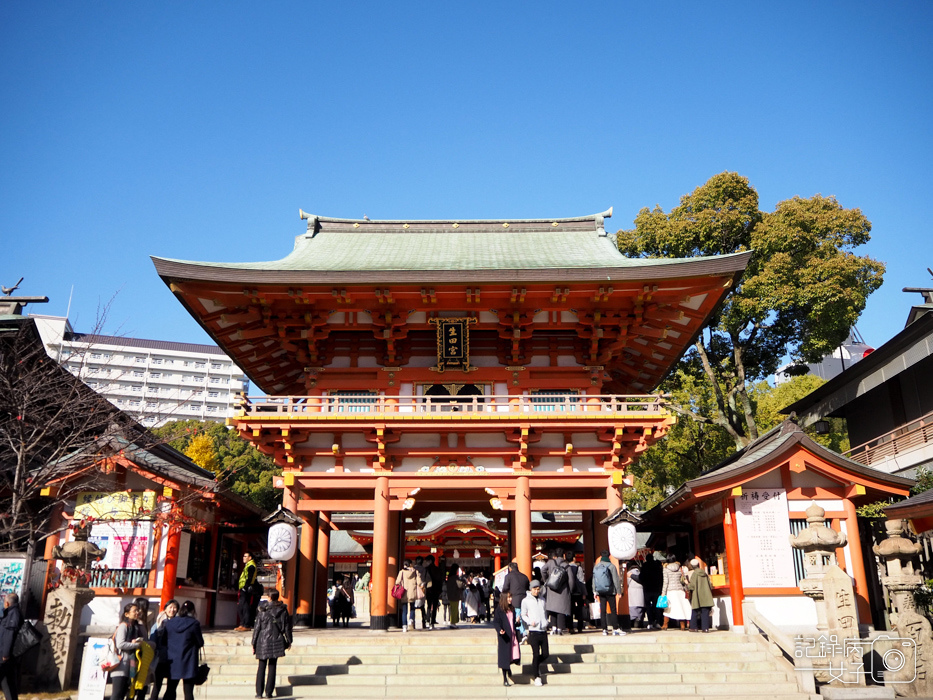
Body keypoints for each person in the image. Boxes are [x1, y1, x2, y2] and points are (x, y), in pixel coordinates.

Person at [252, 590, 293, 698]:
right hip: (277, 639)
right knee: (272, 666)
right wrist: (289, 641)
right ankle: (269, 692)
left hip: (263, 640)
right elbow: (287, 627)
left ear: (269, 598)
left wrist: (254, 642)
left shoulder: (262, 610)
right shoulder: (283, 610)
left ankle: (259, 693)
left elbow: (257, 628)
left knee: (261, 666)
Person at [163, 601, 204, 700]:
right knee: (188, 692)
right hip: (189, 660)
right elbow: (200, 642)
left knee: (170, 689)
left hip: (172, 660)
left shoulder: (170, 622)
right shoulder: (194, 623)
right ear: (193, 610)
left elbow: (164, 640)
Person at [110, 602, 145, 700]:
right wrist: (135, 644)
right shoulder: (123, 626)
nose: (137, 612)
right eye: (134, 611)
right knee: (117, 695)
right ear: (126, 614)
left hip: (131, 665)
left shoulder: (137, 627)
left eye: (138, 610)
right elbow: (120, 644)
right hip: (120, 664)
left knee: (126, 693)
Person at [520, 580, 549, 687]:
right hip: (533, 630)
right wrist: (529, 622)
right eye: (534, 589)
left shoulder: (542, 599)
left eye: (538, 589)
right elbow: (523, 614)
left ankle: (535, 666)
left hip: (543, 630)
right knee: (536, 654)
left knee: (546, 654)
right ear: (530, 589)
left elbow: (545, 612)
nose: (537, 591)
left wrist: (546, 621)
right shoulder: (525, 601)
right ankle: (536, 676)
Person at [148, 599, 179, 700]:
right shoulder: (158, 623)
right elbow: (152, 640)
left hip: (174, 658)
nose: (172, 610)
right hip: (160, 657)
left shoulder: (179, 623)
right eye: (170, 607)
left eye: (174, 607)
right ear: (165, 609)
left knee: (172, 686)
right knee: (157, 684)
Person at [593, 550, 623, 636]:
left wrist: (594, 591)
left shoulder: (596, 567)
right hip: (610, 591)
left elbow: (594, 580)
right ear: (609, 556)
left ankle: (604, 629)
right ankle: (615, 628)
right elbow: (616, 580)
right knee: (613, 610)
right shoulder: (611, 566)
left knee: (603, 610)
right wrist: (619, 591)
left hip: (600, 591)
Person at [492, 592, 520, 687]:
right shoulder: (499, 610)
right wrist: (500, 630)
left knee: (514, 656)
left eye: (511, 597)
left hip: (512, 636)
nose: (510, 599)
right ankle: (505, 678)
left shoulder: (512, 609)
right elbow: (496, 622)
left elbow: (513, 623)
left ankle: (508, 668)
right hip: (504, 637)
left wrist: (517, 622)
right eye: (508, 597)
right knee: (504, 658)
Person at [541, 547, 571, 634]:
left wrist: (547, 580)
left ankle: (553, 627)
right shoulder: (566, 565)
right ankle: (560, 628)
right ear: (564, 555)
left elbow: (543, 570)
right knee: (561, 609)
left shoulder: (550, 562)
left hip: (551, 588)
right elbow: (571, 580)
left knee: (552, 608)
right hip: (563, 590)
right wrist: (571, 588)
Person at [0, 593, 23, 700]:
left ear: (7, 603)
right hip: (6, 655)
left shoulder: (13, 614)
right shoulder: (10, 613)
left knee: (8, 682)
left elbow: (10, 635)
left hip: (4, 656)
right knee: (8, 683)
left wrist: (5, 654)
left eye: (4, 601)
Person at [500, 563, 530, 642]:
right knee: (522, 616)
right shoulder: (524, 577)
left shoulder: (508, 577)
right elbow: (528, 587)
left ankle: (523, 633)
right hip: (524, 599)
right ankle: (522, 633)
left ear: (510, 568)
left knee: (517, 618)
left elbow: (505, 589)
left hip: (514, 600)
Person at [660, 556, 691, 631]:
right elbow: (683, 580)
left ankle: (665, 625)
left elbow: (665, 582)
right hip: (680, 590)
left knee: (668, 609)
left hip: (670, 591)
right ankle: (683, 626)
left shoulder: (666, 569)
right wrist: (686, 589)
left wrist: (663, 593)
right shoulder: (680, 568)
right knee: (681, 608)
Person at [394, 559, 424, 632]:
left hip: (404, 592)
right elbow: (419, 582)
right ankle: (411, 619)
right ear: (410, 564)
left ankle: (404, 626)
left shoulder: (402, 572)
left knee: (404, 610)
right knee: (412, 607)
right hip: (412, 592)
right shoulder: (415, 572)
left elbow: (397, 581)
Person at [687, 558, 715, 633]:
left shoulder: (694, 574)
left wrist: (686, 584)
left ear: (692, 566)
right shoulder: (705, 573)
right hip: (706, 595)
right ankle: (705, 628)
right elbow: (710, 584)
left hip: (697, 595)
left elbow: (692, 586)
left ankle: (693, 627)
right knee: (705, 611)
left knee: (695, 611)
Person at [236, 552, 260, 631]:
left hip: (246, 589)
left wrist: (245, 587)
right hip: (243, 588)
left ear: (250, 557)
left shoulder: (251, 566)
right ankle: (243, 623)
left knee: (245, 607)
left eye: (245, 556)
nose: (243, 557)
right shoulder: (248, 565)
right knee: (241, 607)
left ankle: (246, 624)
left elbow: (250, 577)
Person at [564, 551, 586, 633]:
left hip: (569, 592)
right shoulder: (578, 568)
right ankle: (580, 628)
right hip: (578, 591)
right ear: (574, 558)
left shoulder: (565, 568)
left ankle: (570, 627)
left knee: (569, 610)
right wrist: (584, 593)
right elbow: (581, 580)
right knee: (579, 609)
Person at [423, 555, 442, 629]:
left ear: (430, 561)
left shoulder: (426, 569)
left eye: (427, 561)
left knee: (428, 605)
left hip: (429, 589)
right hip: (436, 589)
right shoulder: (438, 569)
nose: (426, 562)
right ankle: (433, 620)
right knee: (434, 605)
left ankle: (428, 618)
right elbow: (440, 580)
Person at [626, 562, 645, 629]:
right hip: (641, 592)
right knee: (640, 607)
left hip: (632, 592)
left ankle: (633, 620)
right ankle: (639, 620)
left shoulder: (628, 574)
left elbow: (626, 583)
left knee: (632, 608)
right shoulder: (641, 573)